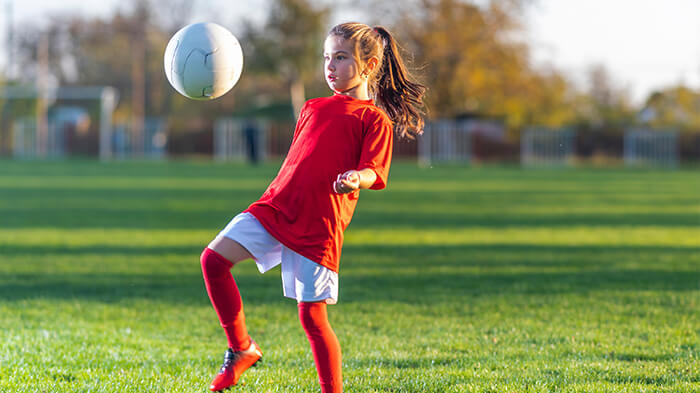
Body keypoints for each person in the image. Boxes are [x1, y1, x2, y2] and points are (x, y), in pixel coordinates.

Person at [200, 22, 426, 393]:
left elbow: (374, 171)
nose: (330, 66)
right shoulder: (311, 106)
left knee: (313, 317)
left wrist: (357, 177)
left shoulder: (373, 119)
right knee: (212, 260)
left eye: (340, 57)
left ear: (368, 66)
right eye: (326, 58)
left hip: (319, 224)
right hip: (274, 207)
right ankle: (241, 348)